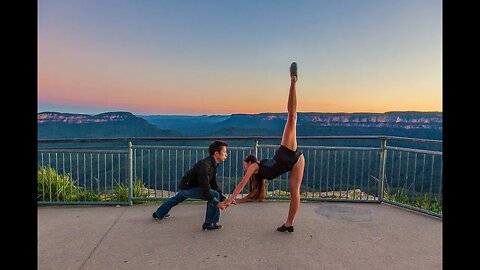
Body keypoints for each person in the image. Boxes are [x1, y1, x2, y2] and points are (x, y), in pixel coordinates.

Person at [218, 62, 306, 232]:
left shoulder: (254, 167)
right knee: (295, 193)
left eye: (244, 165)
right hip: (296, 160)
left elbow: (241, 184)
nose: (244, 168)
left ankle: (293, 81)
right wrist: (238, 201)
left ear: (249, 163)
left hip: (287, 153)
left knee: (292, 117)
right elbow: (251, 195)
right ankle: (289, 224)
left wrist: (229, 200)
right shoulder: (258, 173)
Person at [152, 140, 229, 230]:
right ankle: (209, 223)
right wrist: (217, 203)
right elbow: (205, 188)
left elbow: (213, 183)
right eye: (224, 152)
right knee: (214, 194)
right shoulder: (205, 166)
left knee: (176, 199)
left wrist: (223, 197)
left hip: (186, 186)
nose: (226, 154)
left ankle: (158, 214)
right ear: (216, 153)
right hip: (189, 188)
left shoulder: (212, 164)